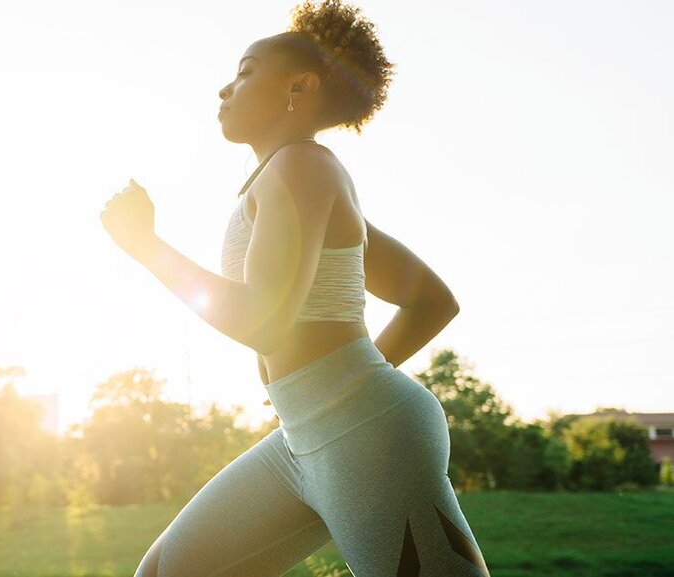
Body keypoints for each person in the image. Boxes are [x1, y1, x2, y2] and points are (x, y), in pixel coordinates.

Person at [99, 1, 491, 575]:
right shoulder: (296, 176)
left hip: (364, 431)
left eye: (246, 71)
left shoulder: (303, 167)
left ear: (299, 87)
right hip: (303, 432)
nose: (225, 88)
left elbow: (263, 321)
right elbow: (431, 300)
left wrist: (145, 245)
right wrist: (322, 386)